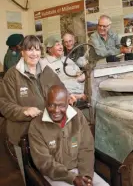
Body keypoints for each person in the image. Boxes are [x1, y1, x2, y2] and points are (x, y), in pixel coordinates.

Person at [0, 35, 77, 185]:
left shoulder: (47, 71)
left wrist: (67, 96)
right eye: (30, 49)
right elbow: (4, 104)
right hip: (24, 133)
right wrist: (23, 110)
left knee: (50, 173)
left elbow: (60, 88)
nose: (34, 53)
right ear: (22, 52)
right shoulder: (12, 76)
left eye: (37, 49)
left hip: (48, 131)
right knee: (31, 177)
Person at [28, 85, 109, 186]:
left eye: (61, 105)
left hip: (81, 170)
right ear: (45, 102)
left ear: (68, 102)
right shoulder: (36, 126)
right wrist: (72, 178)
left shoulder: (77, 116)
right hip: (55, 175)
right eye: (51, 105)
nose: (56, 110)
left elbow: (86, 148)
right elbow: (45, 163)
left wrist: (86, 176)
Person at [42, 35, 85, 100]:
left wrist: (81, 75)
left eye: (61, 44)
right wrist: (76, 80)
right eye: (57, 45)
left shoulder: (66, 59)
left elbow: (80, 73)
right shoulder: (45, 64)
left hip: (82, 94)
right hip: (64, 99)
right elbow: (51, 86)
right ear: (49, 49)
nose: (61, 47)